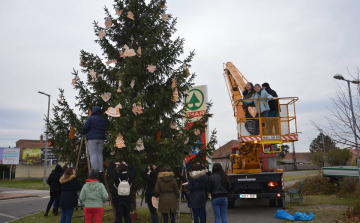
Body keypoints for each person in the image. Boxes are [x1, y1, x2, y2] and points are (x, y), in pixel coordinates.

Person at [81, 106, 107, 173]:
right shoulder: (103, 119)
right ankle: (101, 169)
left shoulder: (91, 118)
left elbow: (86, 127)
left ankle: (95, 169)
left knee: (93, 154)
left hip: (92, 139)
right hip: (101, 139)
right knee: (100, 154)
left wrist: (82, 132)